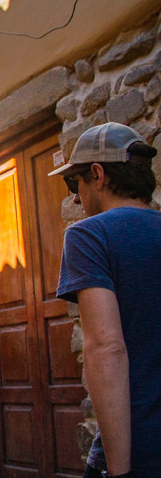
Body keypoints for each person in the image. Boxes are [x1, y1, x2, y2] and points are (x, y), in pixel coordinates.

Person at [50, 122, 161, 478]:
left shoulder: (89, 235)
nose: (75, 198)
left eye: (74, 183)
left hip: (141, 442)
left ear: (97, 174)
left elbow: (105, 347)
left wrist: (118, 470)